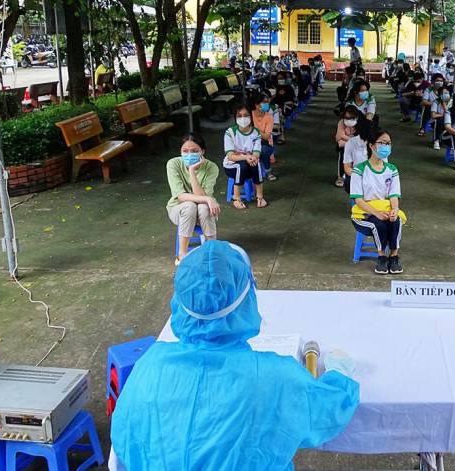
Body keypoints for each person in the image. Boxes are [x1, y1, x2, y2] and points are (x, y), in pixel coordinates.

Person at [110, 241, 359, 471]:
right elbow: (327, 411)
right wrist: (339, 373)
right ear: (248, 297)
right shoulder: (274, 377)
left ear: (179, 301)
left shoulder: (150, 365)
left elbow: (124, 439)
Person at [350, 129, 405, 275]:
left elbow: (394, 195)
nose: (386, 147)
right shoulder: (359, 170)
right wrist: (377, 213)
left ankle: (394, 256)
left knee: (396, 220)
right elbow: (358, 199)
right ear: (372, 146)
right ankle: (381, 257)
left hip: (385, 210)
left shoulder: (392, 170)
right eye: (382, 143)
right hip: (364, 214)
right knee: (379, 223)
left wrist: (394, 210)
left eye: (389, 143)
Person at [166, 134, 220, 262]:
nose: (189, 154)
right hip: (178, 210)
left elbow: (201, 197)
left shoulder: (211, 167)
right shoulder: (173, 164)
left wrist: (192, 172)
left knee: (203, 207)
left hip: (204, 211)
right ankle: (182, 254)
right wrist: (208, 199)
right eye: (185, 151)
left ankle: (212, 249)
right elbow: (180, 196)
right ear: (180, 152)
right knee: (190, 206)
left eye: (195, 151)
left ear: (202, 151)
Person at [223, 105, 268, 209]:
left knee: (256, 163)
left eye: (246, 115)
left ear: (250, 117)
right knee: (241, 166)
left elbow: (257, 151)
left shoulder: (256, 132)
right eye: (239, 116)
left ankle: (260, 197)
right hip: (231, 166)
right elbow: (230, 156)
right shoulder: (230, 132)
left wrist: (253, 158)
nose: (243, 118)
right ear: (235, 117)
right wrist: (246, 157)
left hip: (250, 163)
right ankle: (236, 198)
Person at [337, 106, 367, 191]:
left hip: (360, 144)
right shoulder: (341, 123)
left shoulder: (362, 123)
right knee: (343, 152)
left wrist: (351, 141)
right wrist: (351, 142)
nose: (349, 120)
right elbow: (339, 136)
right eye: (346, 118)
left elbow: (363, 137)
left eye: (351, 118)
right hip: (346, 143)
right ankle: (341, 176)